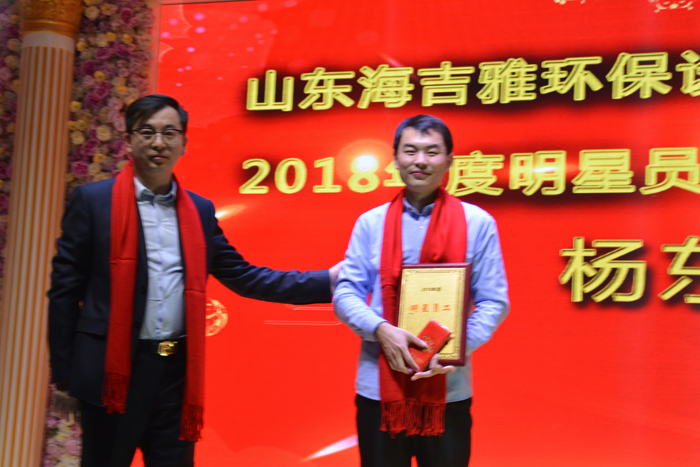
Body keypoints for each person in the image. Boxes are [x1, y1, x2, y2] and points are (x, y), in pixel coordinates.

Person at [48, 94, 339, 467]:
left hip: (174, 376)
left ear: (183, 143)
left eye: (169, 133)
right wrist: (65, 376)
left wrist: (328, 281)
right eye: (147, 132)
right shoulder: (92, 202)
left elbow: (246, 276)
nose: (158, 142)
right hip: (111, 374)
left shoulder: (199, 211)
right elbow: (64, 293)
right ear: (129, 139)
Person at [333, 115, 509, 467]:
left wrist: (453, 351)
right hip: (380, 388)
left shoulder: (477, 223)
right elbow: (346, 293)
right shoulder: (371, 223)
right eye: (410, 151)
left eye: (432, 151)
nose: (420, 161)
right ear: (395, 158)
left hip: (448, 388)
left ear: (449, 160)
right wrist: (380, 330)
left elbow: (494, 302)